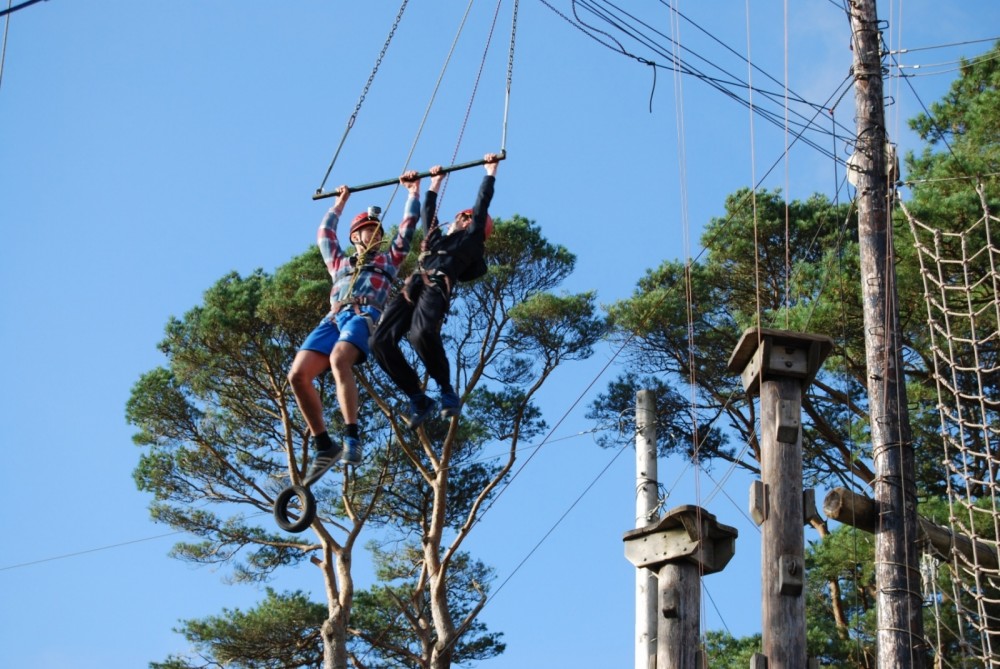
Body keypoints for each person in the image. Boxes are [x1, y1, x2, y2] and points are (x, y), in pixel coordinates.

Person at [288, 172, 421, 482]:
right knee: (297, 375)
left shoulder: (388, 261)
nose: (374, 234)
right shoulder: (340, 264)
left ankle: (351, 435)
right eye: (367, 230)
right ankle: (324, 443)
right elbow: (324, 234)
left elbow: (408, 228)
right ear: (355, 236)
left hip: (364, 317)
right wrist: (340, 203)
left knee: (338, 359)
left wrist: (413, 193)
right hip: (334, 318)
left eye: (377, 230)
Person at [370, 153, 499, 428]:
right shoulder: (437, 239)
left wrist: (489, 172)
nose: (452, 220)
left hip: (437, 286)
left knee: (421, 333)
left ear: (466, 220)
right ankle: (418, 397)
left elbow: (481, 206)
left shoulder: (472, 241)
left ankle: (445, 390)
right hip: (413, 285)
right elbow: (429, 216)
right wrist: (433, 185)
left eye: (458, 218)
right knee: (379, 340)